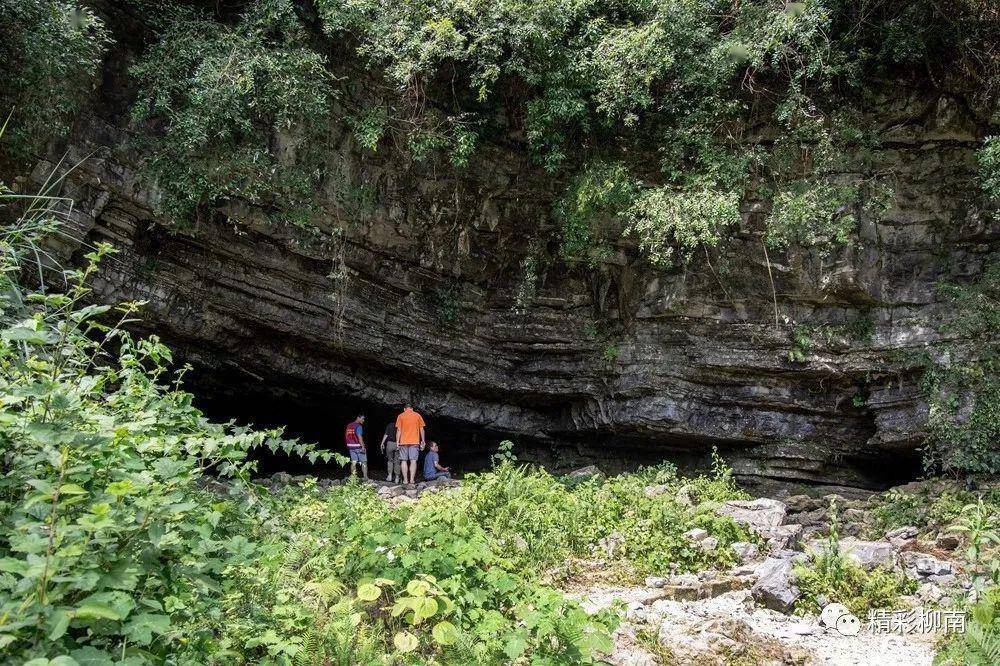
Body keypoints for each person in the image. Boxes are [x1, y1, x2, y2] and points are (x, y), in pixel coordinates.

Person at [394, 403, 425, 485]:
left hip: (403, 442)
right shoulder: (417, 415)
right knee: (413, 460)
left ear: (404, 409)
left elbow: (398, 430)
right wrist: (423, 441)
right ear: (412, 408)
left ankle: (405, 480)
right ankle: (411, 480)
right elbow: (421, 429)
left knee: (403, 460)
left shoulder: (400, 416)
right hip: (414, 441)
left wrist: (397, 442)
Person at [344, 414, 367, 479]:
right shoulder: (358, 426)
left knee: (353, 462)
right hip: (358, 446)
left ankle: (353, 478)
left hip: (351, 446)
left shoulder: (349, 425)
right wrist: (363, 446)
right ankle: (365, 477)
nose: (363, 420)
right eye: (362, 418)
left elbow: (346, 435)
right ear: (358, 418)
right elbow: (359, 437)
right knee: (364, 462)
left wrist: (348, 444)